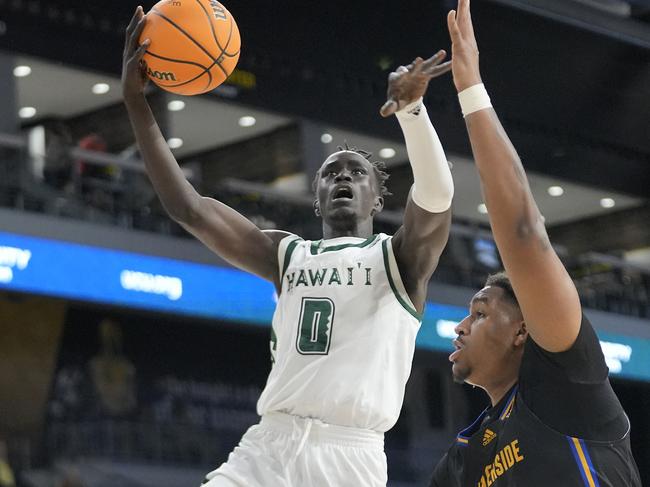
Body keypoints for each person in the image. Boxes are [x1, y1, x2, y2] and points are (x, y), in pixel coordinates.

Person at [122, 6, 455, 486]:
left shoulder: (398, 258)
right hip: (268, 449)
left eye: (356, 172)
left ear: (378, 199)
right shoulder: (285, 253)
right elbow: (189, 210)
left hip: (349, 458)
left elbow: (437, 196)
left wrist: (413, 113)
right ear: (317, 199)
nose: (342, 176)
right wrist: (136, 103)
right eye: (330, 173)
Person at [430, 1, 642, 485]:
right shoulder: (464, 458)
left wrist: (470, 91)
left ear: (524, 331)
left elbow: (524, 235)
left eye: (480, 313)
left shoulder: (568, 379)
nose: (460, 327)